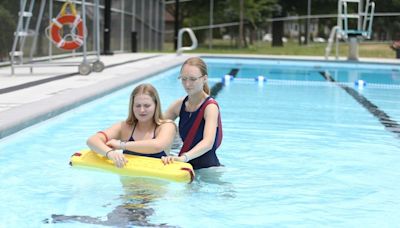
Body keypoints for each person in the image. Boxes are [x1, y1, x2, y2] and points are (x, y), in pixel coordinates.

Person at [87, 83, 176, 168]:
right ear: (132, 107)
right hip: (128, 183)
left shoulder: (166, 126)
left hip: (155, 183)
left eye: (147, 105)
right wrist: (110, 153)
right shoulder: (125, 127)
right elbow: (92, 140)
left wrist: (122, 145)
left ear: (156, 106)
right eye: (137, 105)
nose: (142, 110)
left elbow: (157, 146)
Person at [161, 57, 222, 170]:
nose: (187, 84)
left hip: (208, 171)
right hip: (186, 168)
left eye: (193, 79)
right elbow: (154, 125)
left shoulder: (210, 107)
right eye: (184, 79)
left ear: (204, 79)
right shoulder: (179, 105)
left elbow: (208, 142)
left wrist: (184, 158)